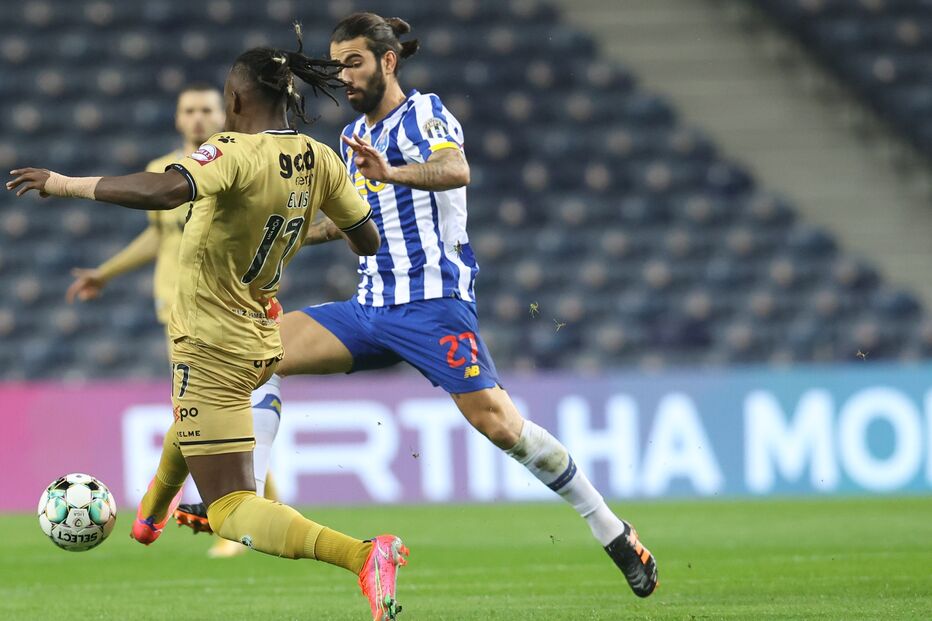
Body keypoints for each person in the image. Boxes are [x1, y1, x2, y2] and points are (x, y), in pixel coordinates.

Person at [175, 12, 658, 599]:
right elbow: (347, 222)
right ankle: (233, 492)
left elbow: (458, 170)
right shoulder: (356, 141)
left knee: (499, 424)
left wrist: (393, 172)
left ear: (388, 61)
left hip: (433, 306)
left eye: (354, 62)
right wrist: (284, 229)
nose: (345, 76)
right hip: (369, 307)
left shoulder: (424, 114)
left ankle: (610, 529)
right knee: (254, 353)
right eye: (338, 64)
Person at [8, 27, 409, 621]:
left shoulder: (233, 151)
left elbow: (167, 189)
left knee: (229, 509)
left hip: (211, 340)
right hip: (258, 330)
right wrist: (302, 227)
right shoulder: (320, 158)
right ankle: (149, 517)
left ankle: (363, 555)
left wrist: (64, 183)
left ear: (238, 101)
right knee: (188, 416)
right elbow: (368, 239)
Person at [65, 83, 279, 559]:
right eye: (190, 110)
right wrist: (105, 272)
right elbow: (157, 239)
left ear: (222, 113)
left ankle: (235, 518)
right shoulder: (162, 171)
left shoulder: (236, 165)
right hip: (177, 310)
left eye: (207, 108)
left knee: (216, 414)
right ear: (179, 119)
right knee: (227, 412)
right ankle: (259, 516)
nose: (199, 117)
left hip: (224, 310)